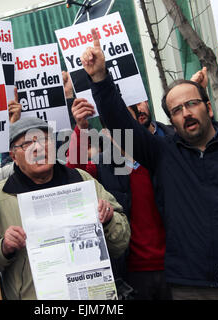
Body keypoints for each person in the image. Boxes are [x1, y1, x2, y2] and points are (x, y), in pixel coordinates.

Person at [80, 29, 218, 300]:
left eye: (192, 104)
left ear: (208, 108)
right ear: (171, 121)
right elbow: (119, 123)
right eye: (176, 110)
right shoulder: (162, 152)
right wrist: (100, 78)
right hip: (190, 286)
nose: (185, 112)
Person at [0, 117, 131, 300]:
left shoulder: (82, 180)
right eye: (26, 145)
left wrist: (109, 220)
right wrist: (4, 247)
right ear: (13, 155)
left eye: (43, 140)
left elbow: (121, 244)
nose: (38, 149)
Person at [67, 98, 172, 300]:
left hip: (176, 267)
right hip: (130, 273)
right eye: (114, 123)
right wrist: (81, 128)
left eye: (124, 121)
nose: (121, 128)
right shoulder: (103, 165)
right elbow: (75, 178)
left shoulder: (162, 158)